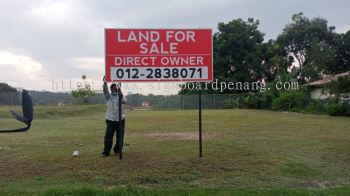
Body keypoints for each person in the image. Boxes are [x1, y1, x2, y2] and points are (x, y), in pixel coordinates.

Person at [102, 76, 127, 157]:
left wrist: (120, 92)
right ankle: (106, 152)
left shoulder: (120, 96)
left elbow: (125, 101)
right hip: (110, 119)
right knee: (108, 136)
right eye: (112, 88)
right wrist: (105, 83)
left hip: (121, 119)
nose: (114, 90)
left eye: (115, 88)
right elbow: (105, 90)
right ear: (110, 89)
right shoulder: (108, 97)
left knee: (120, 136)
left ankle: (117, 150)